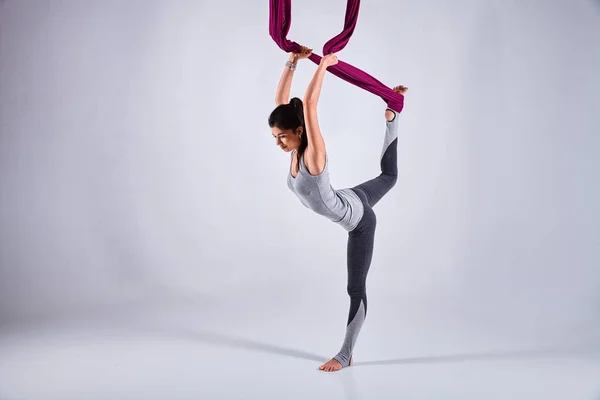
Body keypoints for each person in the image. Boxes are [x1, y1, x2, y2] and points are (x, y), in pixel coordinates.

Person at [268, 46, 407, 372]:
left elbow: (311, 104)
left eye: (282, 137)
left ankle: (345, 355)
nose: (278, 143)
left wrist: (326, 64)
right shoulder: (294, 141)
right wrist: (293, 60)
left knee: (354, 288)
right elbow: (281, 101)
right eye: (275, 137)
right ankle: (393, 114)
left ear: (299, 131)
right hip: (349, 196)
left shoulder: (313, 155)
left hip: (359, 221)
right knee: (390, 176)